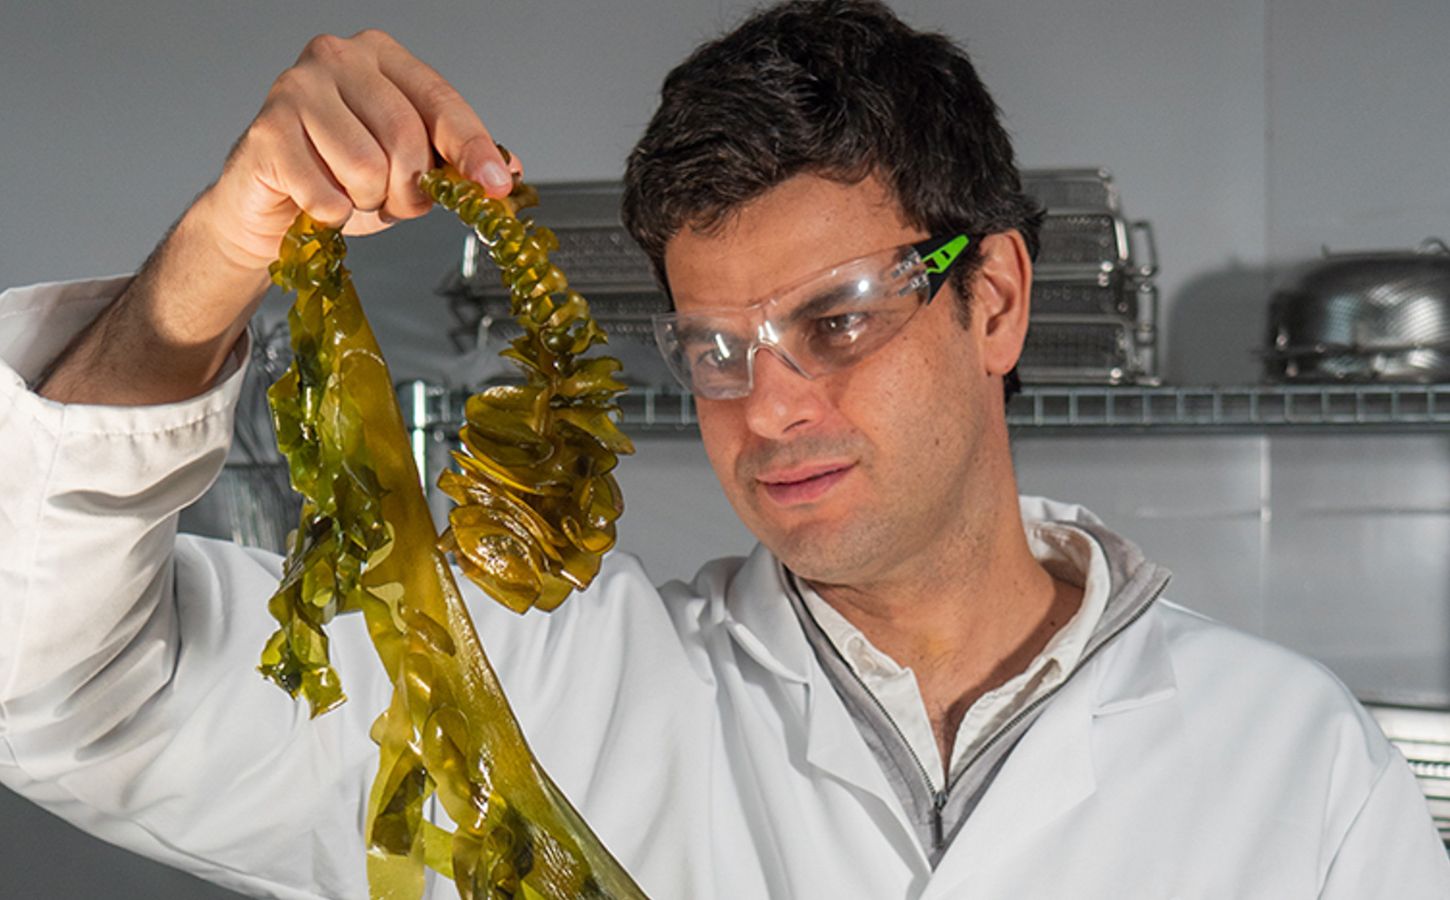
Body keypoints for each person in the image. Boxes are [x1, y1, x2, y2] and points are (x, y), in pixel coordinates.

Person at [1, 1, 1446, 897]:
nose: (769, 410)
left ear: (992, 298)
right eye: (714, 348)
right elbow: (58, 681)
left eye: (838, 320)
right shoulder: (531, 691)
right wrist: (215, 256)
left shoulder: (1292, 762)